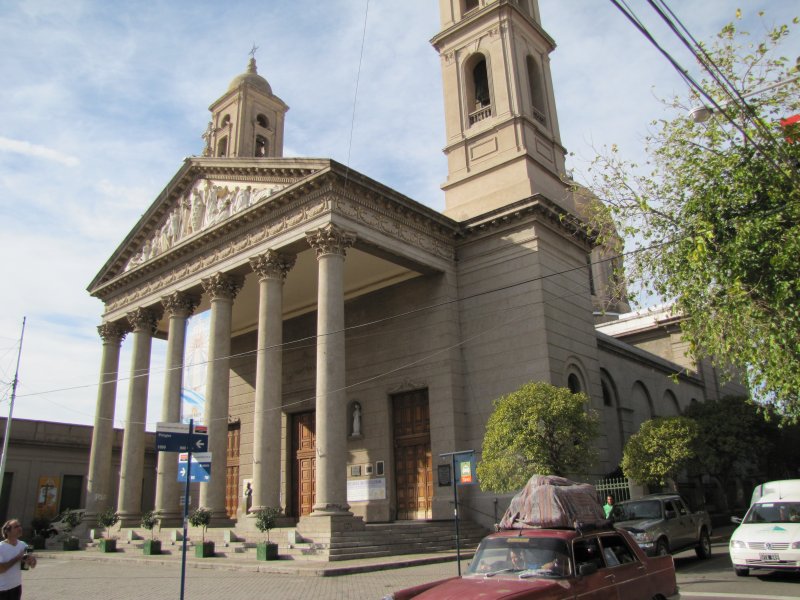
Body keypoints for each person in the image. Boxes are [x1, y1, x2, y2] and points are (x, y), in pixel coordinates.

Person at [0, 519, 36, 600]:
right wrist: (18, 558)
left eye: (20, 526)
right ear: (7, 531)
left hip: (16, 587)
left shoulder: (23, 545)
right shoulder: (1, 547)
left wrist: (32, 560)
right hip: (2, 590)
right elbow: (1, 569)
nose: (20, 528)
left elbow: (31, 566)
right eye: (16, 527)